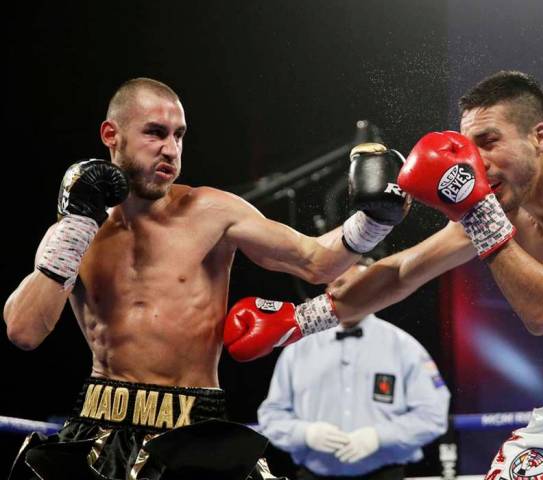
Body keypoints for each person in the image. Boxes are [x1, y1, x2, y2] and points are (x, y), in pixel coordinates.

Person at [224, 71, 543, 479]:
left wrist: (478, 212)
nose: (476, 161)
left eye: (490, 141)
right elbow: (402, 272)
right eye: (468, 146)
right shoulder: (502, 212)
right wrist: (300, 320)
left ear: (540, 137)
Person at [3, 77, 409, 479]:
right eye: (155, 133)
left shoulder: (212, 211)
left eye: (179, 136)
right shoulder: (77, 230)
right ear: (112, 135)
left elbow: (316, 261)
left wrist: (375, 220)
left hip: (193, 426)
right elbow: (24, 331)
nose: (170, 149)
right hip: (99, 422)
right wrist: (75, 228)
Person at [256, 258, 450, 480]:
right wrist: (305, 434)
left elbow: (433, 414)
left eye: (358, 285)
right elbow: (271, 416)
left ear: (374, 291)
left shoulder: (404, 347)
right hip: (313, 474)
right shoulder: (299, 349)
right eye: (340, 285)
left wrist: (380, 437)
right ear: (327, 290)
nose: (349, 293)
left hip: (384, 474)